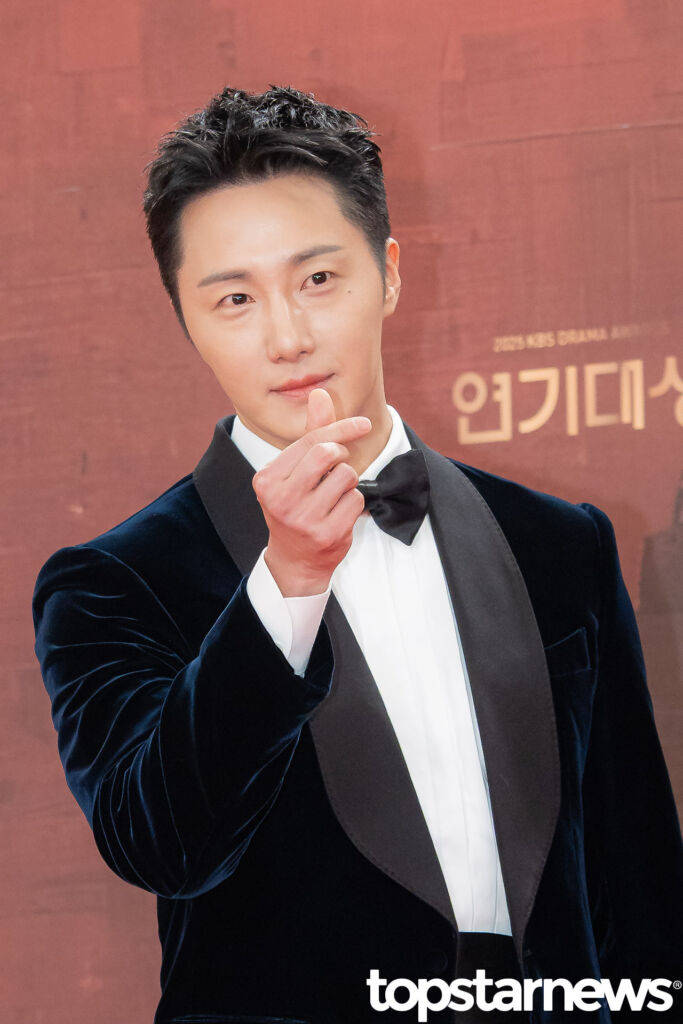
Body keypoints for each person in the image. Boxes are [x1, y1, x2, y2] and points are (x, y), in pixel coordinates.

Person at [33, 85, 683, 1024]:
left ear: (388, 273)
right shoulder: (115, 583)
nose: (287, 336)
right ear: (185, 319)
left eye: (318, 280)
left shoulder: (559, 545)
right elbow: (160, 845)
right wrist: (286, 585)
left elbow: (642, 886)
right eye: (234, 299)